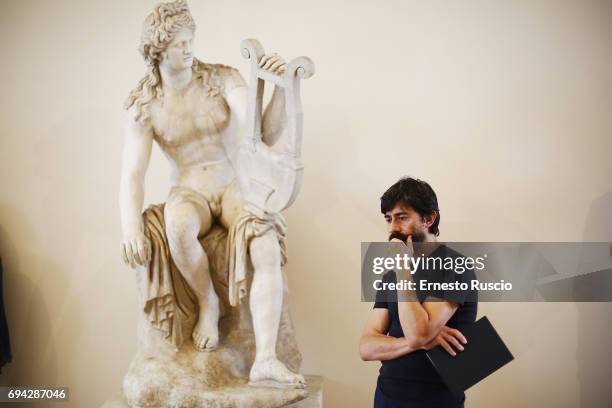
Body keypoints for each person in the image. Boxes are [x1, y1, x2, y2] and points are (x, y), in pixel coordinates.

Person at [119, 0, 304, 387]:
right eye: (179, 43)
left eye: (191, 40)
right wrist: (130, 229)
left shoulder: (222, 79)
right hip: (189, 190)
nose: (189, 49)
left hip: (233, 184)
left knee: (265, 241)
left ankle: (266, 358)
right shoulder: (144, 106)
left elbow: (261, 134)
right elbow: (132, 175)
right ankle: (208, 301)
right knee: (177, 225)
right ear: (158, 50)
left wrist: (280, 91)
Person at [359, 177, 478, 407]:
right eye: (388, 219)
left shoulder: (455, 266)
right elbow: (366, 347)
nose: (393, 228)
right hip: (386, 398)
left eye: (402, 217)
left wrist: (403, 268)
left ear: (429, 218)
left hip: (436, 401)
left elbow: (418, 332)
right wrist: (418, 342)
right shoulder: (391, 277)